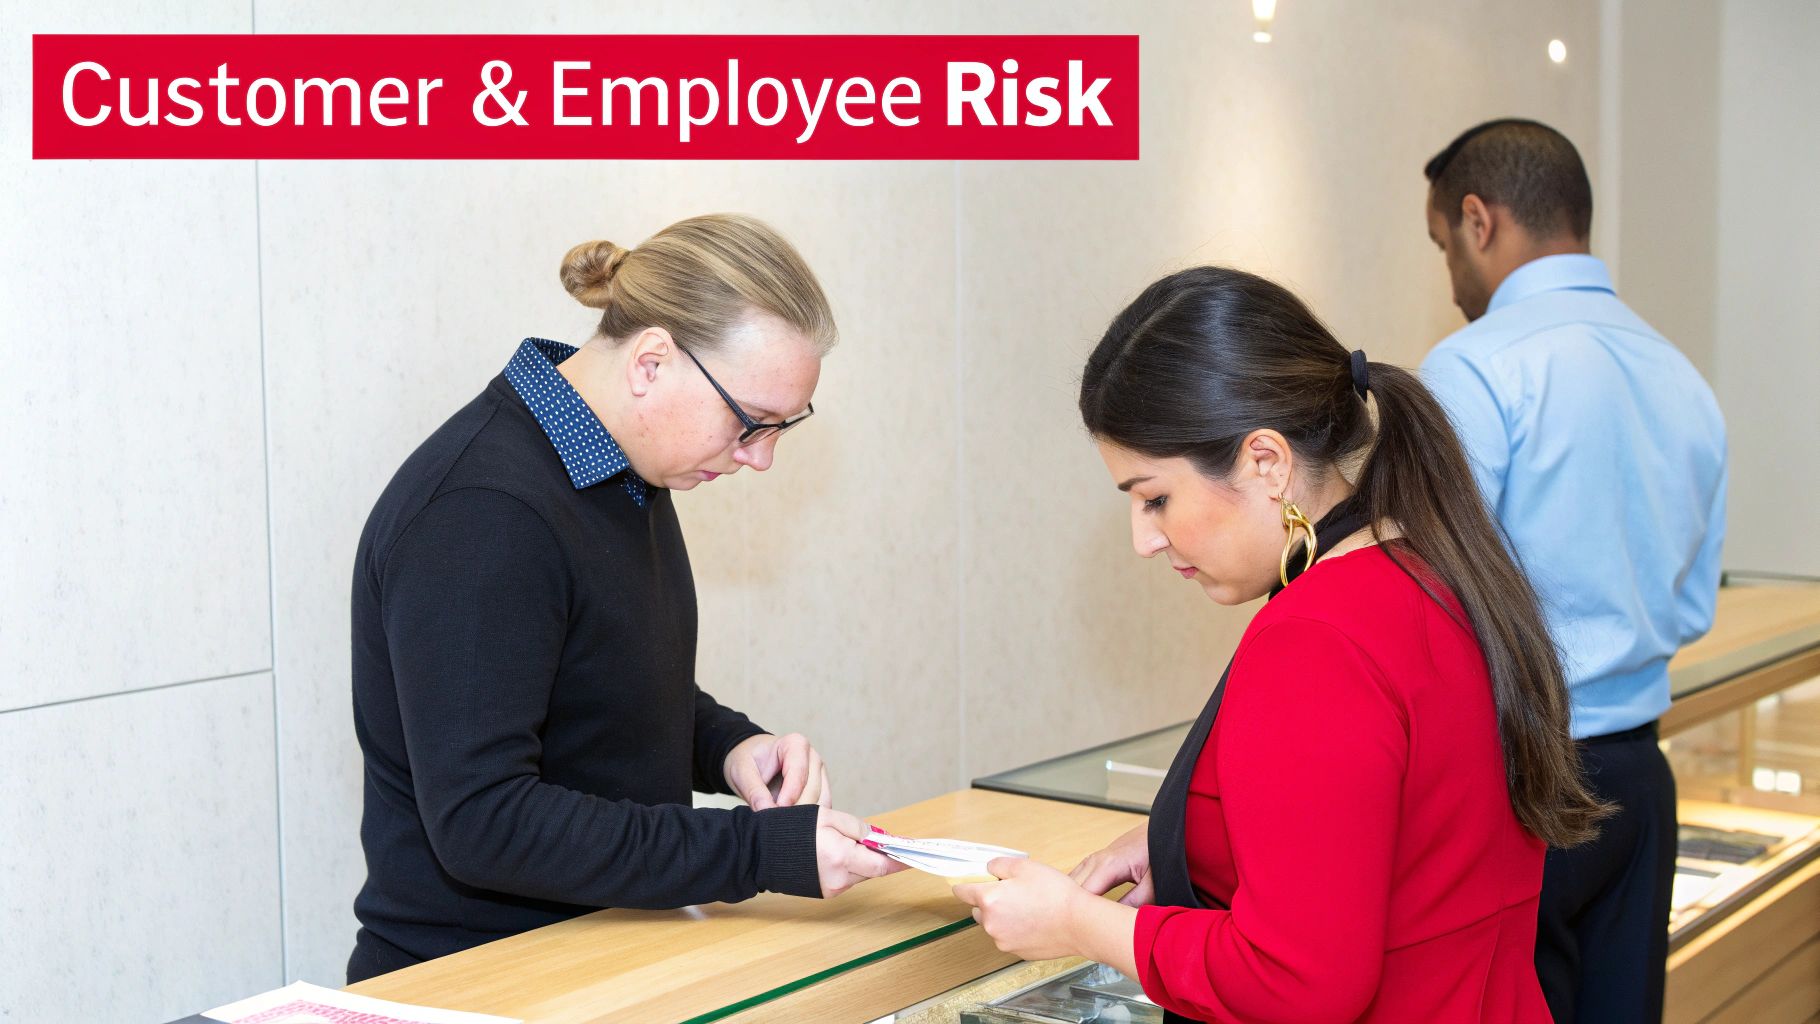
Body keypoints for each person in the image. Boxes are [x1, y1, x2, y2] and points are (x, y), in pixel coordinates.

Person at [952, 266, 1607, 1023]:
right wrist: (1187, 840)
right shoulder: (1438, 571)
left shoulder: (1313, 641)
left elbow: (1298, 982)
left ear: (1266, 462)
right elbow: (1397, 840)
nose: (1144, 539)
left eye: (1155, 498)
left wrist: (1079, 924)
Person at [346, 213, 899, 983]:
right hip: (475, 981)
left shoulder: (621, 466)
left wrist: (728, 747)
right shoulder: (481, 512)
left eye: (784, 428)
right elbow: (484, 821)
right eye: (750, 423)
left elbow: (597, 678)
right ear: (651, 362)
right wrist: (756, 851)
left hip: (605, 956)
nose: (761, 458)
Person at [1419, 119, 1727, 1024]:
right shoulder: (1681, 376)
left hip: (1518, 786)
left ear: (1480, 221)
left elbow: (1431, 599)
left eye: (1444, 247)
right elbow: (1694, 598)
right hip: (1640, 775)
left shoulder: (1474, 367)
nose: (1452, 281)